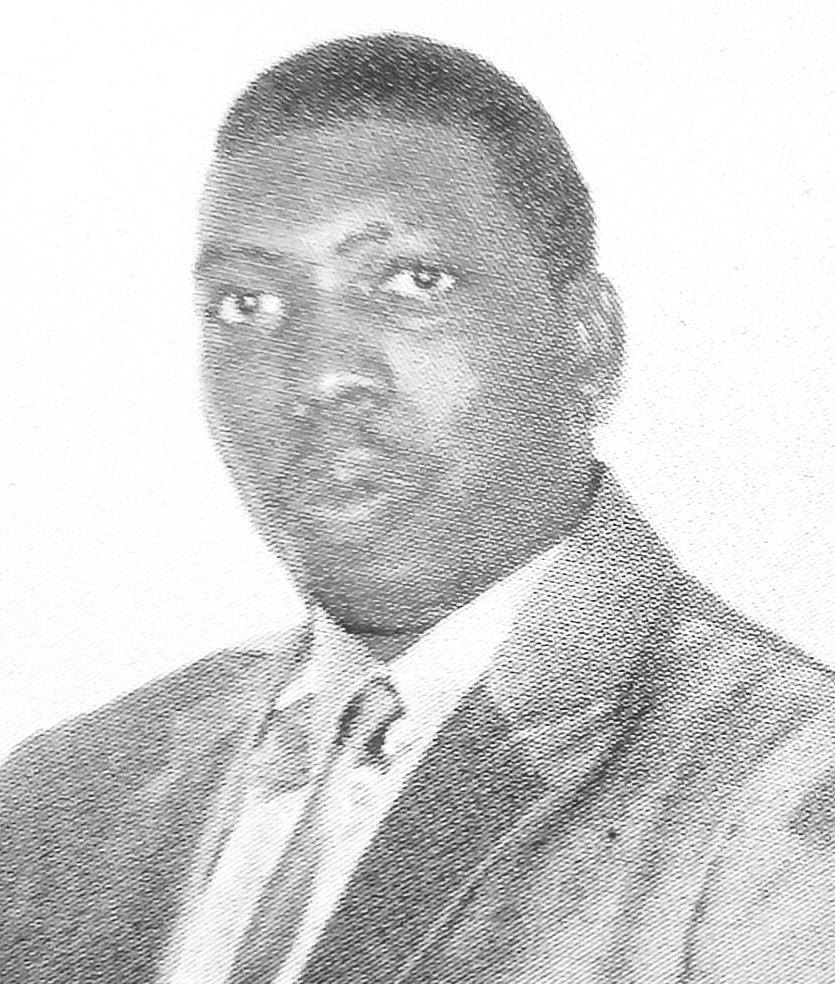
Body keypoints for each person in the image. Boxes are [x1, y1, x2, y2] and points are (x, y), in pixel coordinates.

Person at [2, 32, 834, 984]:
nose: (320, 375)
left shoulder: (782, 793)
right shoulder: (58, 801)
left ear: (584, 344)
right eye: (245, 303)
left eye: (412, 283)